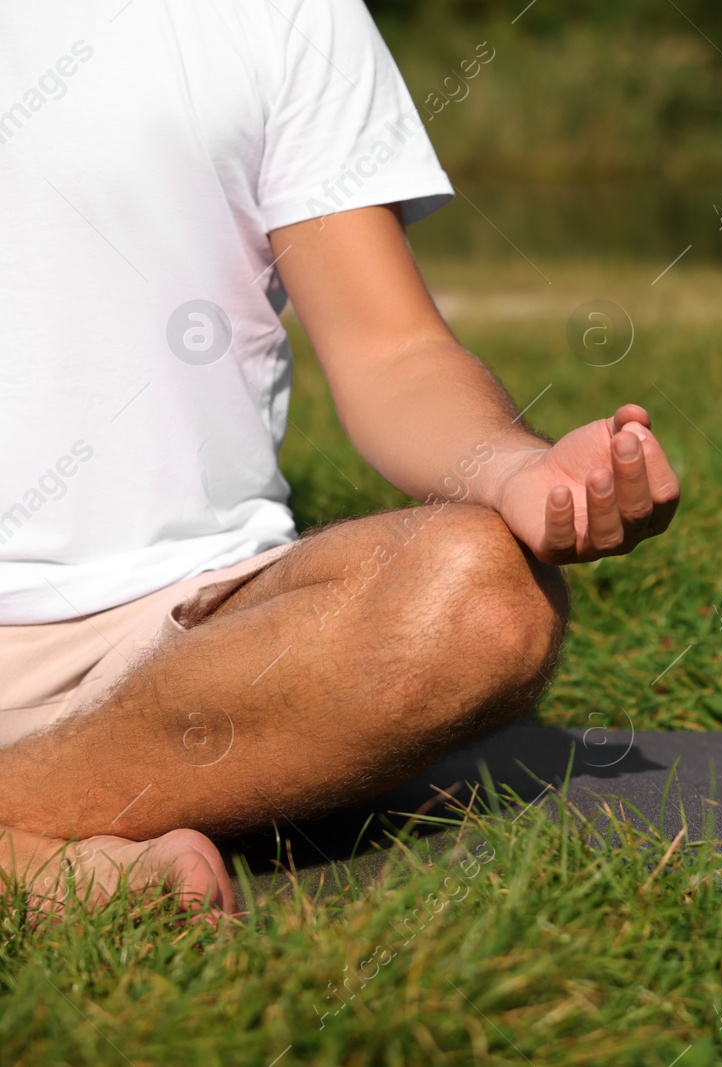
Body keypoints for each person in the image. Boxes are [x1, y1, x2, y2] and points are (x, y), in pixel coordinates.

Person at [0, 1, 678, 915]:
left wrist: (516, 470)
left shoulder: (288, 14)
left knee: (484, 603)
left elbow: (390, 354)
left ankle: (31, 813)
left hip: (177, 646)